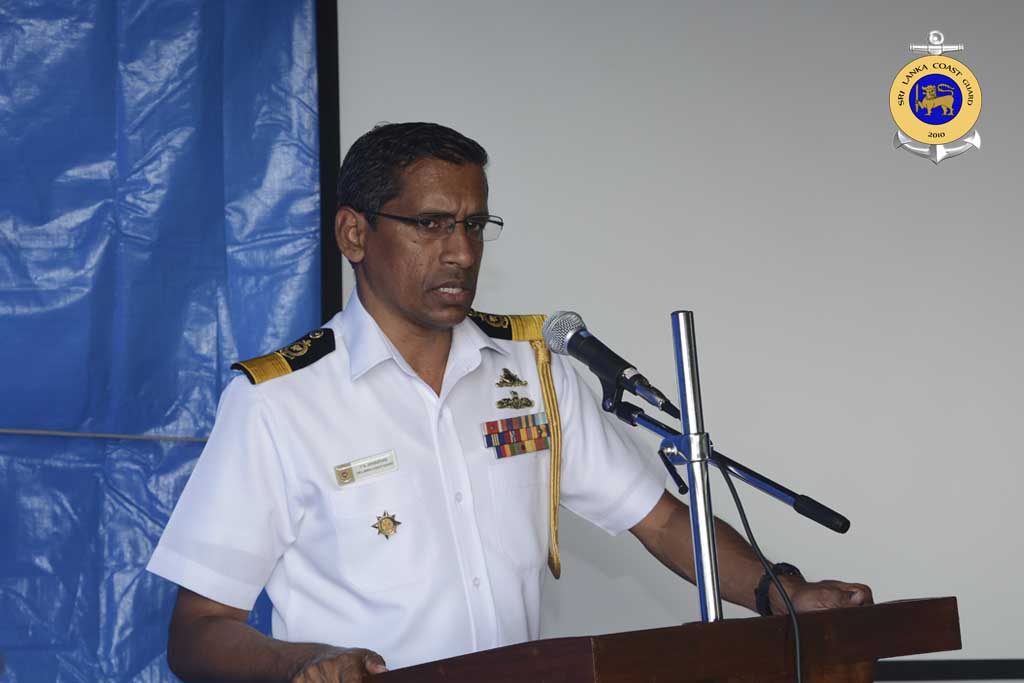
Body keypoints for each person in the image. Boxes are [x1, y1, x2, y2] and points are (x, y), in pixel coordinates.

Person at [147, 122, 872, 682]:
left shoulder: (532, 368)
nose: (462, 252)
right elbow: (198, 629)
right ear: (354, 232)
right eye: (431, 224)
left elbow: (659, 520)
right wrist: (303, 662)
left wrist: (781, 594)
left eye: (473, 224)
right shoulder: (279, 401)